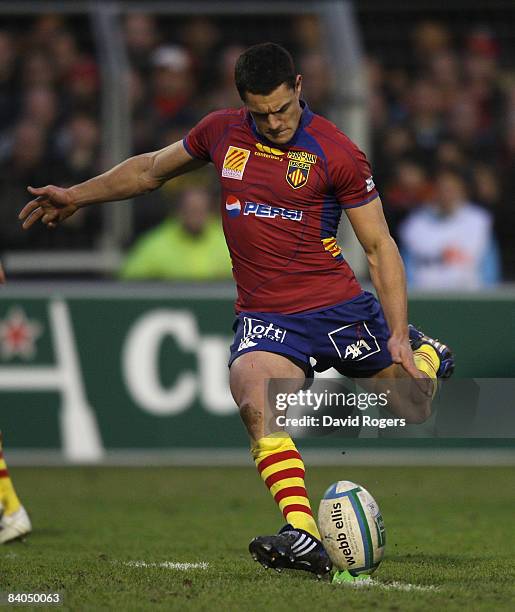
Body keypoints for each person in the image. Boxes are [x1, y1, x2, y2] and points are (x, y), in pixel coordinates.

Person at [18, 43, 454, 578]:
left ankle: (428, 353)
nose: (272, 123)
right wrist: (77, 196)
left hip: (337, 307)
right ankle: (305, 535)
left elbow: (380, 246)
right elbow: (150, 170)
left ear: (299, 86)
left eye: (282, 109)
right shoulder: (222, 131)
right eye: (260, 112)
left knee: (415, 407)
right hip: (267, 318)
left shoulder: (336, 151)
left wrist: (399, 338)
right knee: (252, 397)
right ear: (243, 102)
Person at [400, 166, 500, 289]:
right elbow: (404, 272)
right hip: (425, 299)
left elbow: (490, 274)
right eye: (442, 189)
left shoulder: (479, 222)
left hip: (470, 300)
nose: (446, 194)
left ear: (462, 190)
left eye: (451, 189)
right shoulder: (414, 226)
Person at [120, 187, 232, 280]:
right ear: (179, 211)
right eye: (191, 210)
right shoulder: (156, 243)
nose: (196, 216)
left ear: (210, 212)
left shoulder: (227, 240)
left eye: (201, 210)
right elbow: (129, 278)